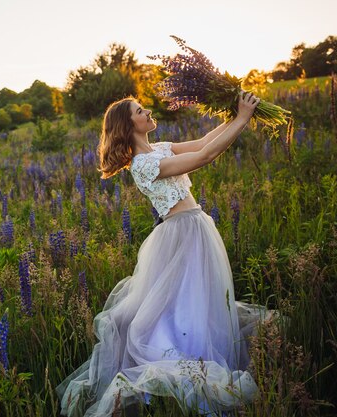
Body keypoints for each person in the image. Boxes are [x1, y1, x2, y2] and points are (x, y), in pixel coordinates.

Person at [56, 92, 272, 416]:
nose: (148, 111)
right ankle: (193, 383)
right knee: (187, 309)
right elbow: (204, 157)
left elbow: (202, 141)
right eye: (140, 111)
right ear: (129, 126)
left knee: (199, 304)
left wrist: (237, 115)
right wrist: (242, 119)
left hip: (195, 227)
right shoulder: (142, 165)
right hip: (181, 235)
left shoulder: (159, 148)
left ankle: (197, 373)